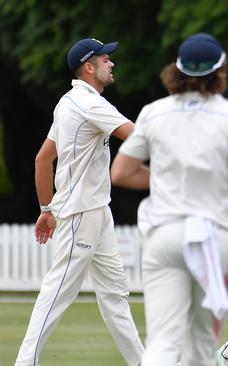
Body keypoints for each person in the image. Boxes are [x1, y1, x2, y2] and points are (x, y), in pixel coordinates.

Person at [110, 33, 228, 366]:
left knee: (163, 342)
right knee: (202, 343)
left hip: (164, 234)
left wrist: (172, 180)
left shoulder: (153, 112)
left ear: (177, 70)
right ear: (221, 71)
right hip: (215, 237)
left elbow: (122, 173)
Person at [15, 38, 144, 366]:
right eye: (106, 58)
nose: (111, 63)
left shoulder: (67, 102)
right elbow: (138, 136)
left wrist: (46, 209)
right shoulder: (89, 103)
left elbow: (43, 159)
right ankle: (25, 362)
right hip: (81, 212)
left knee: (115, 295)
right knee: (58, 291)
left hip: (98, 210)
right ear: (90, 66)